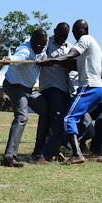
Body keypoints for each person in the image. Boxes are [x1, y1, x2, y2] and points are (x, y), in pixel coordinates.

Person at [37, 20, 102, 165]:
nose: (73, 36)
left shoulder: (85, 40)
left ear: (79, 30)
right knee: (81, 120)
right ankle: (59, 148)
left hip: (89, 87)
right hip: (98, 89)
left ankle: (76, 153)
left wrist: (51, 61)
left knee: (68, 119)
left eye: (74, 32)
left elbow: (70, 55)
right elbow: (73, 64)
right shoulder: (96, 44)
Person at [0, 29, 48, 167]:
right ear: (32, 41)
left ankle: (39, 151)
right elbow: (17, 58)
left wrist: (45, 58)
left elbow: (45, 53)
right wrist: (9, 60)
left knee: (47, 111)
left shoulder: (42, 47)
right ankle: (8, 156)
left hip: (29, 89)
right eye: (38, 45)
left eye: (43, 46)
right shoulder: (25, 50)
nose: (41, 48)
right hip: (15, 86)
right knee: (22, 117)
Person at [32, 23, 72, 164]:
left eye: (65, 36)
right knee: (57, 122)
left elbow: (73, 64)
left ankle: (43, 152)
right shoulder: (46, 42)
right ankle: (44, 155)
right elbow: (38, 55)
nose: (62, 38)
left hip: (64, 89)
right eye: (60, 35)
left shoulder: (69, 47)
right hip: (50, 88)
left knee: (48, 122)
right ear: (55, 32)